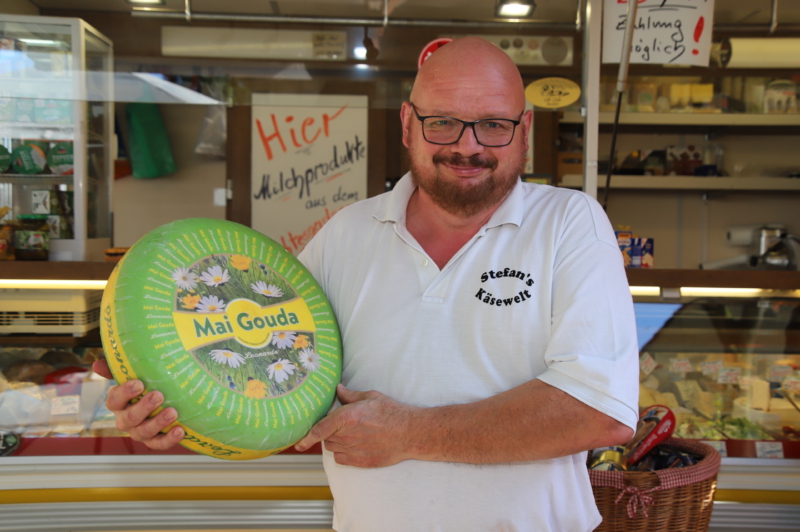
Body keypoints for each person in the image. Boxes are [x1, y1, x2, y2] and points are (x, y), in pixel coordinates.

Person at [94, 36, 639, 532]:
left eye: (493, 124)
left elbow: (599, 410)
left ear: (525, 130)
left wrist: (411, 433)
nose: (467, 146)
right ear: (407, 124)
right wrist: (174, 408)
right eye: (442, 121)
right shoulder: (346, 234)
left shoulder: (569, 222)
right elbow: (285, 390)